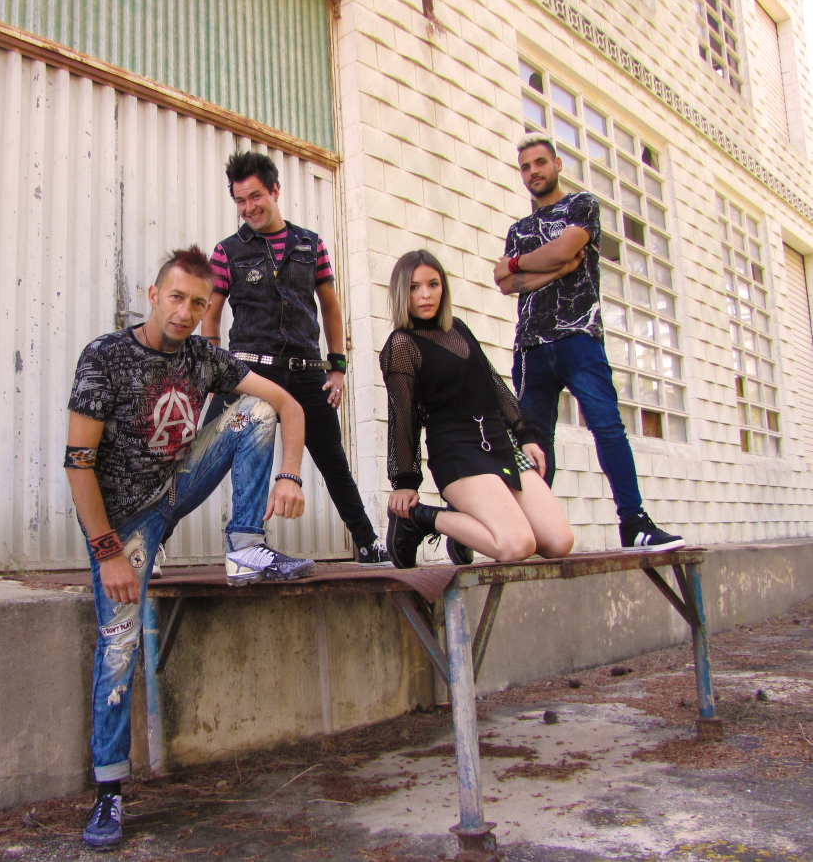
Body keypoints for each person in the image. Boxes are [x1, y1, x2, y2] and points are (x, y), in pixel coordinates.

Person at [65, 246, 312, 850]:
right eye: (176, 297)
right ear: (153, 296)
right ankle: (109, 792)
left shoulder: (203, 357)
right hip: (126, 522)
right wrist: (107, 552)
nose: (184, 312)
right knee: (119, 646)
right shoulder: (105, 356)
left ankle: (246, 546)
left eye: (198, 303)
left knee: (255, 410)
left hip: (174, 486)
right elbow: (78, 463)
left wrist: (289, 475)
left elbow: (289, 404)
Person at [493, 132, 684, 552]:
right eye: (525, 167)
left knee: (607, 428)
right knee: (533, 442)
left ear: (556, 164)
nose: (533, 172)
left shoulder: (582, 205)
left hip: (579, 339)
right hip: (531, 347)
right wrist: (554, 269)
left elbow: (565, 249)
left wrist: (523, 264)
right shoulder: (518, 229)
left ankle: (633, 522)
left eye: (540, 163)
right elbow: (504, 282)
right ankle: (527, 528)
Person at [199, 150, 389, 564]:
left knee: (333, 459)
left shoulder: (311, 244)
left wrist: (337, 367)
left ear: (275, 191)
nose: (248, 208)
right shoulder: (227, 251)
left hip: (305, 371)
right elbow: (210, 315)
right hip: (247, 371)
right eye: (240, 200)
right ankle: (156, 538)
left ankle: (367, 541)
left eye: (255, 196)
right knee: (204, 457)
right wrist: (214, 369)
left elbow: (330, 306)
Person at [381, 249, 575, 568]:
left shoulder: (457, 327)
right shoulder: (402, 344)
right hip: (457, 453)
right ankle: (420, 519)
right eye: (414, 287)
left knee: (559, 542)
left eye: (433, 284)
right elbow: (404, 417)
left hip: (500, 445)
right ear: (402, 292)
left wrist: (525, 434)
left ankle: (468, 521)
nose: (425, 295)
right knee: (517, 545)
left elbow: (492, 383)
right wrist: (405, 482)